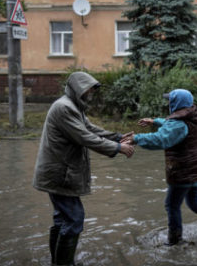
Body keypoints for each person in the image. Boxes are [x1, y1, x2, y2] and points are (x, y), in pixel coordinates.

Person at [32, 71, 135, 266]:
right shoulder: (64, 108)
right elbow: (85, 137)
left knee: (63, 219)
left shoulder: (73, 106)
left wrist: (117, 137)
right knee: (74, 219)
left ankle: (57, 261)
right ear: (78, 88)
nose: (91, 93)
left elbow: (91, 129)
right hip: (60, 174)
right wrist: (118, 148)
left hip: (60, 173)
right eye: (88, 89)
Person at [126, 89, 197, 246]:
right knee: (194, 203)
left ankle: (175, 240)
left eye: (170, 101)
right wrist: (155, 121)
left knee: (171, 205)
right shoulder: (192, 115)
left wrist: (136, 138)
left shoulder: (178, 124)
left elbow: (160, 139)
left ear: (175, 104)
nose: (168, 103)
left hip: (184, 173)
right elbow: (173, 126)